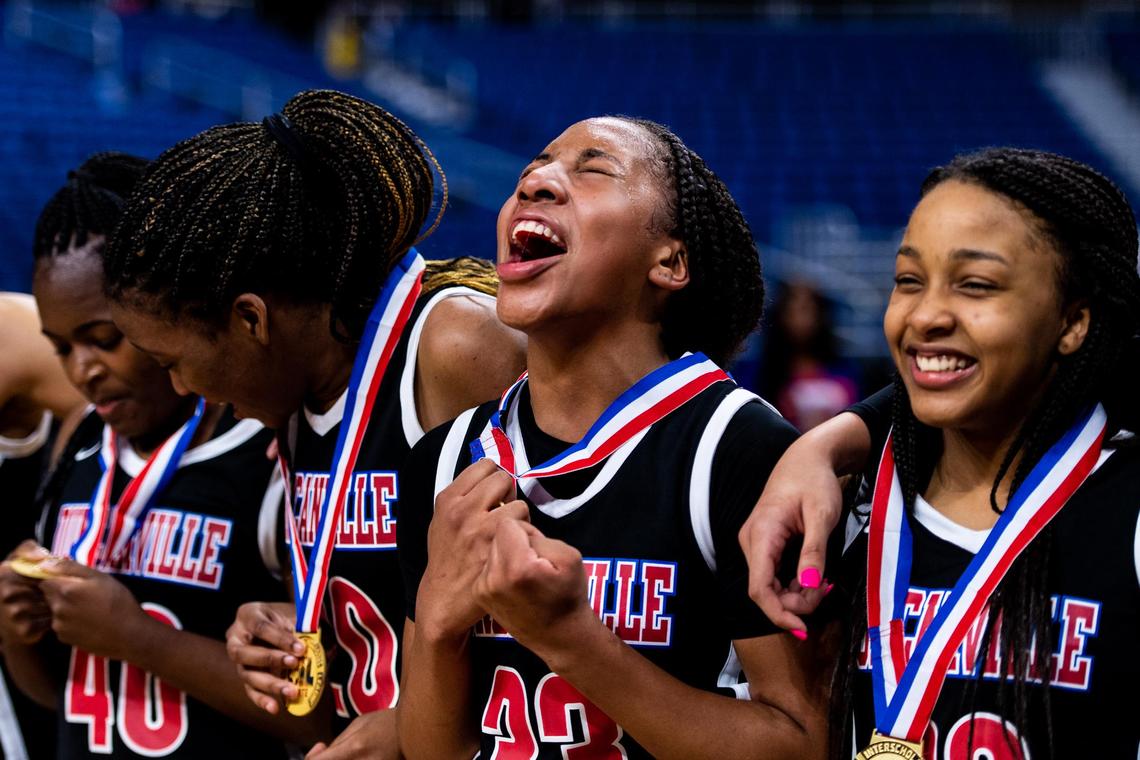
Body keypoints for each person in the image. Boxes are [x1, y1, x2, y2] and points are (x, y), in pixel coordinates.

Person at [101, 89, 526, 757]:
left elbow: (589, 592)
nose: (183, 391)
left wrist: (406, 721)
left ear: (250, 320)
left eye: (174, 362)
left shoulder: (455, 346)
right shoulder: (293, 399)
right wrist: (279, 625)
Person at [397, 116, 833, 760]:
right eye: (531, 171)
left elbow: (806, 743)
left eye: (592, 169)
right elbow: (433, 750)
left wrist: (572, 638)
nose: (537, 182)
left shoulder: (740, 449)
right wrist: (436, 625)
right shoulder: (446, 459)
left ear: (671, 261)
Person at [745, 148, 1140, 756]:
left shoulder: (1125, 513)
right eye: (907, 280)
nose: (925, 315)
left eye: (976, 285)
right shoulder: (839, 512)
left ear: (1072, 322)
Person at [0, 152, 299, 758]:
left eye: (105, 339)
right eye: (61, 349)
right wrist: (16, 634)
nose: (82, 371)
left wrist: (138, 639)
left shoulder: (267, 450)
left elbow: (317, 715)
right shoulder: (80, 441)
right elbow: (61, 698)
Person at [757, 281, 860, 431]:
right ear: (781, 315)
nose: (801, 320)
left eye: (807, 310)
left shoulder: (844, 368)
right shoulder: (766, 373)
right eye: (793, 312)